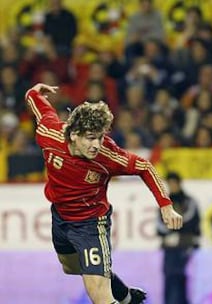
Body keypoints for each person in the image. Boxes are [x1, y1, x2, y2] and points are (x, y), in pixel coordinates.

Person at [25, 83, 183, 304]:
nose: (96, 144)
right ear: (73, 135)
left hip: (91, 223)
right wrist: (35, 91)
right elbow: (38, 105)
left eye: (100, 137)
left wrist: (165, 204)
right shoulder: (50, 134)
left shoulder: (107, 155)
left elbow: (145, 167)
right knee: (73, 268)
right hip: (60, 217)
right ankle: (127, 297)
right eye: (90, 138)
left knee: (97, 291)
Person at [157, 172, 201, 304]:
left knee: (179, 276)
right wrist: (171, 232)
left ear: (179, 184)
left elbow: (191, 221)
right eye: (170, 184)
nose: (172, 186)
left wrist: (174, 231)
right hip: (169, 247)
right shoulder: (164, 204)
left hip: (184, 245)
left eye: (174, 183)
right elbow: (159, 226)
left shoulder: (189, 202)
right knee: (169, 277)